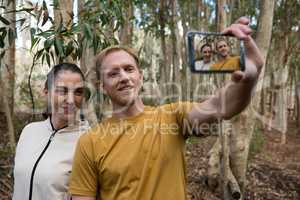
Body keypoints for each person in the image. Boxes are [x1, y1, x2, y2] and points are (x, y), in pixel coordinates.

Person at [69, 17, 263, 200]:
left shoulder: (172, 117)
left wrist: (249, 79)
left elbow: (220, 106)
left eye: (129, 69)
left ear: (140, 77)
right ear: (102, 86)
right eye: (113, 73)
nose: (124, 77)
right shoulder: (90, 142)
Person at [12, 63, 90, 200]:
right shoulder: (29, 131)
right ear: (46, 92)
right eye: (63, 91)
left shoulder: (88, 140)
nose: (71, 100)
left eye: (78, 92)